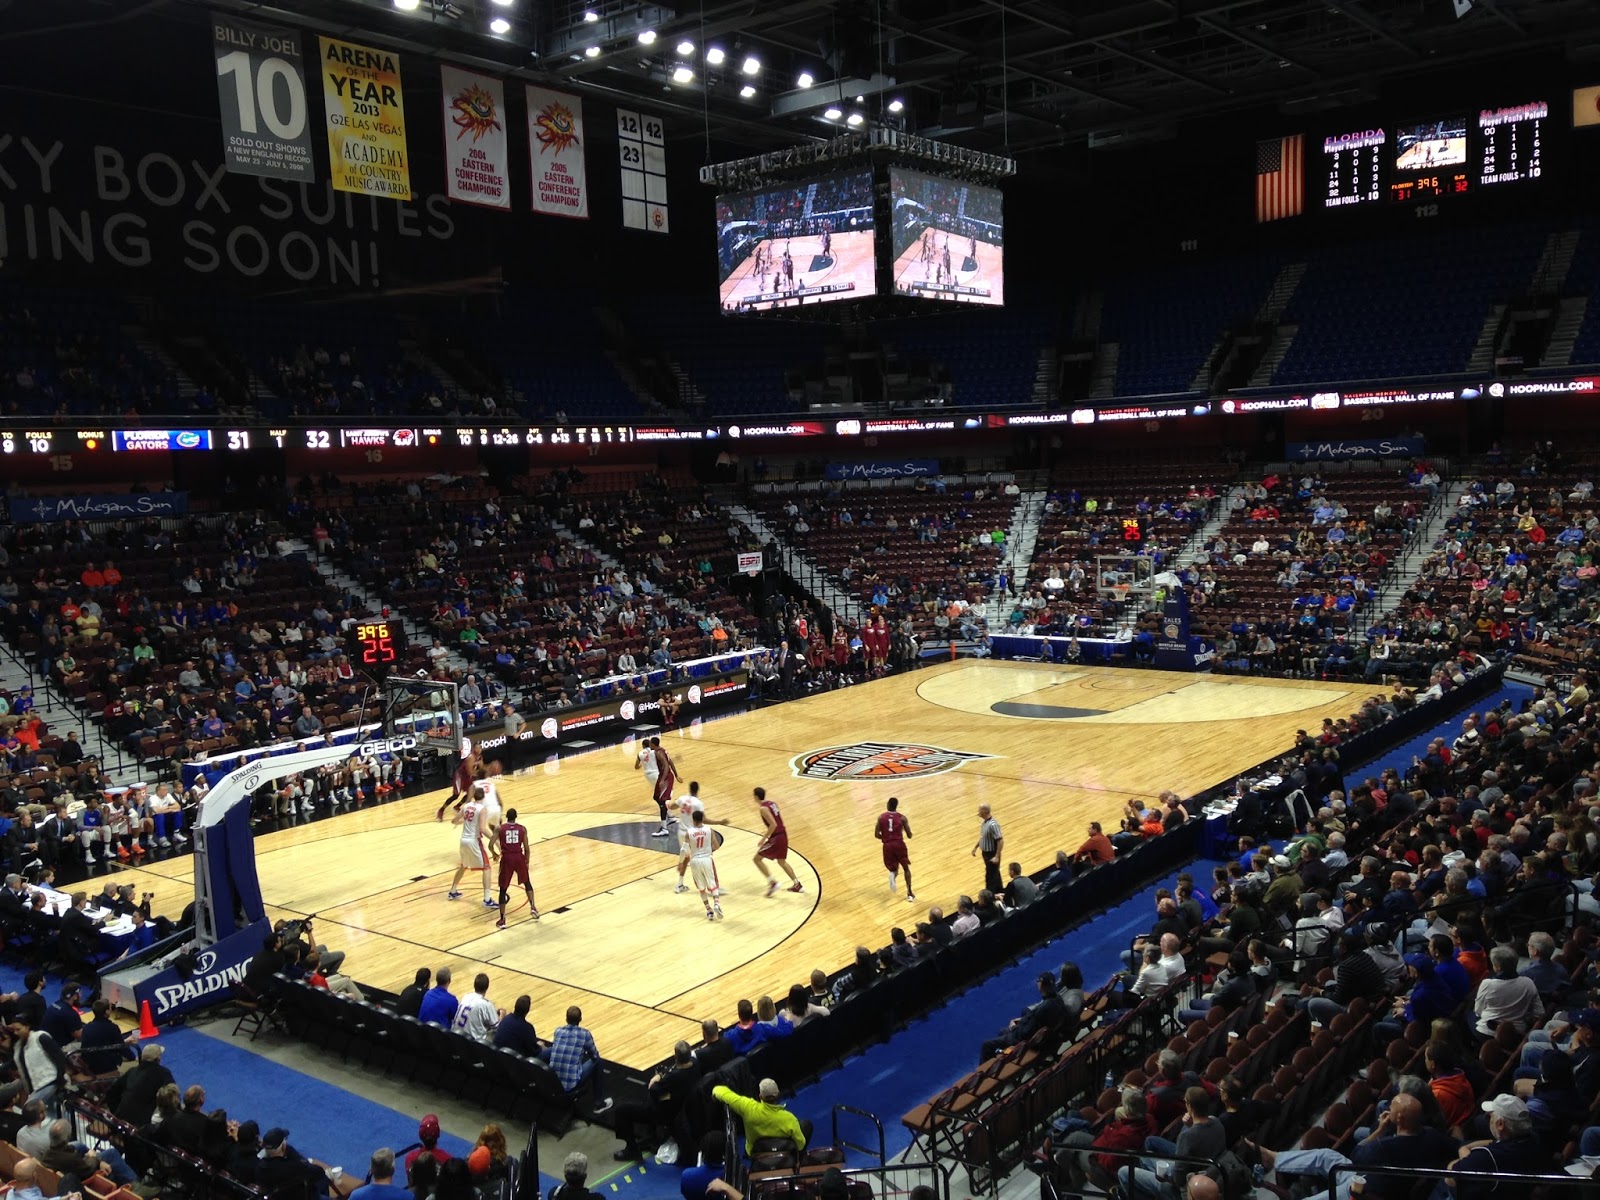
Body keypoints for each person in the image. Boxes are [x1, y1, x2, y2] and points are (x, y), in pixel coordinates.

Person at [614, 1040, 702, 1162]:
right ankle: (651, 1136)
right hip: (682, 1105)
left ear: (676, 1056)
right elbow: (672, 1068)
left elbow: (653, 1089)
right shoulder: (695, 1064)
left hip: (665, 1112)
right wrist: (662, 1074)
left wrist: (657, 1076)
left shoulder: (674, 1077)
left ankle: (632, 1150)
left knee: (621, 1110)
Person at [711, 1078, 807, 1156]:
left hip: (755, 1153)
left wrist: (715, 1092)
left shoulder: (748, 1108)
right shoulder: (789, 1119)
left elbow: (720, 1091)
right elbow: (800, 1145)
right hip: (784, 1153)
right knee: (806, 1125)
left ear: (760, 1096)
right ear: (778, 1094)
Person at [545, 1006, 611, 1113]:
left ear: (566, 1019)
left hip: (553, 1081)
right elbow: (594, 1055)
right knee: (598, 1061)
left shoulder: (558, 1031)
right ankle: (599, 1103)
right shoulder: (585, 1034)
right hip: (570, 1085)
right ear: (580, 1019)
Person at [447, 787, 496, 908]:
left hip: (463, 840)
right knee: (487, 868)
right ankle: (487, 899)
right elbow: (483, 829)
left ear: (474, 796)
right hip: (474, 841)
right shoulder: (482, 809)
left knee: (463, 866)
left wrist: (463, 821)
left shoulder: (466, 806)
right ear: (483, 797)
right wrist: (495, 839)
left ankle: (453, 891)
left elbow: (453, 821)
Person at [752, 787, 802, 896]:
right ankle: (797, 885)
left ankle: (772, 883)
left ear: (756, 796)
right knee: (781, 862)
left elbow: (773, 824)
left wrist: (764, 838)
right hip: (783, 834)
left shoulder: (763, 808)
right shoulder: (772, 803)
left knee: (757, 859)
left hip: (776, 837)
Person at [494, 807, 538, 929]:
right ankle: (533, 907)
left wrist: (493, 852)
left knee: (503, 890)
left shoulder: (500, 828)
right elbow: (527, 848)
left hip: (507, 858)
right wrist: (527, 861)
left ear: (506, 817)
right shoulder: (522, 829)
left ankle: (502, 920)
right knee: (527, 883)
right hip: (519, 857)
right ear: (516, 817)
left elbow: (491, 844)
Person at [685, 811, 725, 922]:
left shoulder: (689, 832)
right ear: (702, 819)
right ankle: (716, 903)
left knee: (701, 887)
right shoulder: (710, 830)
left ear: (693, 820)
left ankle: (709, 911)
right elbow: (717, 846)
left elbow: (684, 850)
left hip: (695, 861)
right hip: (707, 859)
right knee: (713, 884)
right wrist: (707, 850)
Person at [875, 796, 915, 901]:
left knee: (893, 868)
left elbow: (876, 834)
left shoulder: (881, 817)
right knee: (906, 869)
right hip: (899, 844)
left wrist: (885, 838)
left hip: (887, 845)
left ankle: (893, 874)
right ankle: (910, 893)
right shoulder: (902, 818)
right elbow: (909, 835)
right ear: (896, 806)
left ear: (887, 805)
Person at [436, 736, 483, 821]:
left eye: (480, 747)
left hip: (467, 777)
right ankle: (441, 810)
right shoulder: (471, 757)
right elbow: (470, 772)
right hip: (460, 776)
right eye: (477, 747)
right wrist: (477, 770)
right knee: (455, 795)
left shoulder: (480, 757)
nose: (479, 749)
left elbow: (480, 768)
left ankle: (457, 806)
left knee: (470, 793)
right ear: (474, 748)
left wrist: (482, 768)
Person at [451, 973, 502, 1044]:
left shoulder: (466, 996)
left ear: (474, 985)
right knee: (495, 1032)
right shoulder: (486, 1004)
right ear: (487, 987)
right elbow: (497, 1027)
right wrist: (502, 1015)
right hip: (471, 1043)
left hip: (456, 1036)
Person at [8, 1158, 82, 1200]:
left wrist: (63, 1198)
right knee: (70, 1179)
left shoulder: (10, 1193)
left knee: (68, 1179)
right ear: (34, 1176)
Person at [973, 804, 1004, 894]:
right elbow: (983, 837)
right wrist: (976, 847)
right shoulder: (984, 823)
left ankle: (990, 895)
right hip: (986, 854)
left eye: (979, 810)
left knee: (991, 877)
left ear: (983, 811)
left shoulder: (993, 824)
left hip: (992, 854)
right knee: (995, 874)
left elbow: (1000, 840)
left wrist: (997, 856)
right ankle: (1000, 892)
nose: (978, 812)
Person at [650, 738, 678, 838]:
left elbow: (666, 765)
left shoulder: (658, 753)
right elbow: (671, 762)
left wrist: (663, 779)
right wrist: (677, 775)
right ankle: (669, 817)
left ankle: (664, 828)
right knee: (656, 797)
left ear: (653, 744)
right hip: (663, 776)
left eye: (650, 743)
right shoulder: (663, 750)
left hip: (665, 777)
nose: (649, 745)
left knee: (662, 800)